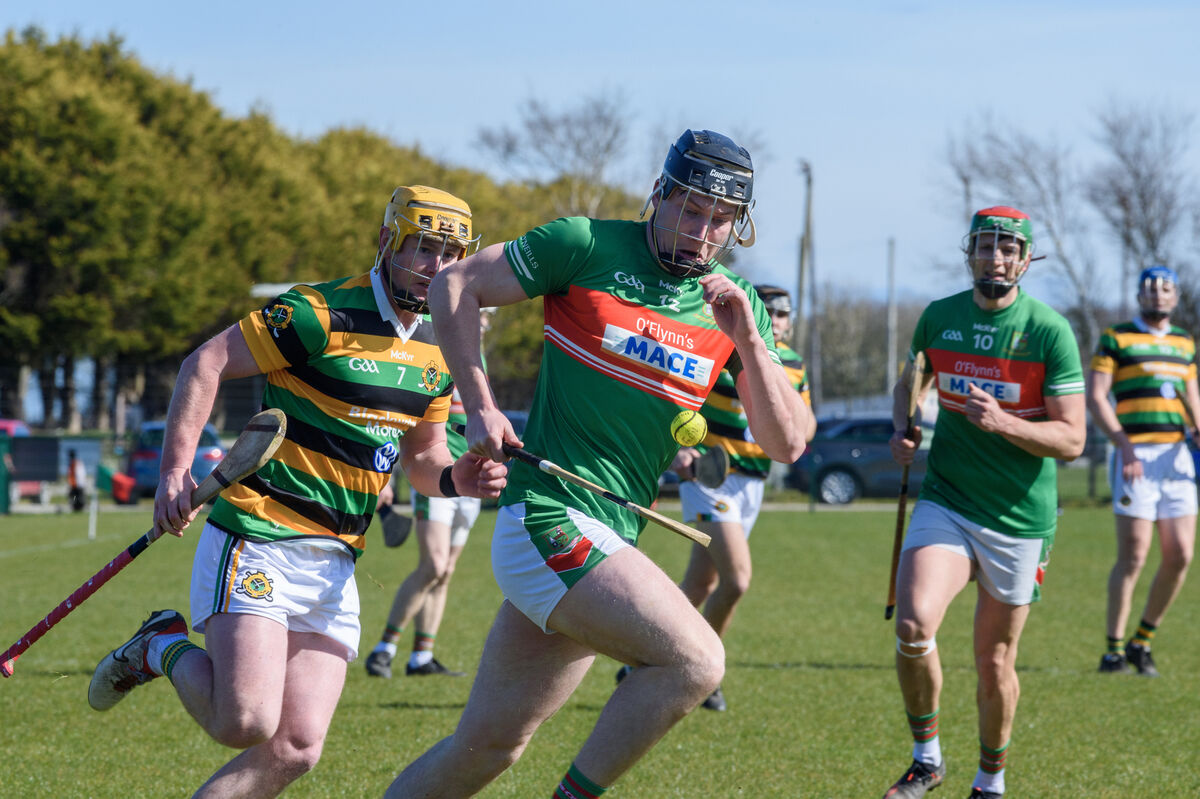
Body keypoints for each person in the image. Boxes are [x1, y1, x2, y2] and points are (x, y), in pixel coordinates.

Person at [384, 129, 809, 798]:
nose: (701, 231)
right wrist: (482, 404)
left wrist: (751, 341)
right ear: (659, 195)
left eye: (720, 218)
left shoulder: (735, 305)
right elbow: (453, 285)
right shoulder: (583, 245)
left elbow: (789, 443)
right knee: (697, 662)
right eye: (690, 208)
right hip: (546, 517)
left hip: (610, 536)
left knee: (488, 747)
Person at [86, 185, 507, 798]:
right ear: (387, 243)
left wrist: (456, 478)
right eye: (421, 247)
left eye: (448, 254)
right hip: (260, 535)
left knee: (297, 747)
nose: (434, 265)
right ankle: (161, 647)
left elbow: (423, 456)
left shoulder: (445, 346)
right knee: (245, 722)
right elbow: (205, 364)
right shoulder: (317, 312)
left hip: (336, 557)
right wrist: (175, 470)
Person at [884, 206, 1085, 799]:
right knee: (913, 625)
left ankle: (989, 782)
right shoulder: (939, 317)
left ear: (1026, 260)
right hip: (947, 499)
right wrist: (903, 429)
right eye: (985, 246)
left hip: (1019, 519)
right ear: (969, 252)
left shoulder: (1049, 331)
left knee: (994, 661)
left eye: (1008, 248)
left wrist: (1003, 423)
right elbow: (910, 384)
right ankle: (926, 759)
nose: (995, 258)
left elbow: (1072, 439)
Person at [664, 283, 816, 712]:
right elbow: (673, 395)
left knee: (701, 584)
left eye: (783, 314)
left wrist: (787, 409)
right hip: (710, 476)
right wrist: (677, 449)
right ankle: (703, 672)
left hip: (754, 483)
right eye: (769, 312)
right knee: (737, 580)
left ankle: (643, 660)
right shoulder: (720, 346)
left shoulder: (794, 364)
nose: (776, 321)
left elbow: (806, 427)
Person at [364, 308, 495, 679]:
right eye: (479, 312)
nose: (483, 321)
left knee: (446, 572)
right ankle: (383, 649)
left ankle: (421, 656)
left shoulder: (478, 357)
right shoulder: (433, 346)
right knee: (433, 566)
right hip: (439, 474)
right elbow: (401, 412)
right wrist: (387, 477)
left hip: (471, 476)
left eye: (485, 314)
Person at [1087, 264, 1199, 678]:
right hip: (1135, 455)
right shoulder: (1116, 337)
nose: (1158, 295)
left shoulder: (1184, 342)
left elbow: (1192, 396)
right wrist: (1123, 443)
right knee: (1134, 555)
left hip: (1176, 457)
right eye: (1150, 289)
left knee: (1181, 554)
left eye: (1165, 289)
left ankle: (1142, 641)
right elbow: (1096, 396)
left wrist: (1197, 429)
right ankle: (1113, 650)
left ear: (1175, 297)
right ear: (1139, 296)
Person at [67, 448, 87, 512]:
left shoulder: (74, 463)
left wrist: (75, 483)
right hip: (78, 483)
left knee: (75, 496)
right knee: (76, 496)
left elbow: (76, 474)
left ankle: (77, 506)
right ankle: (76, 506)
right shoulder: (77, 463)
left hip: (76, 484)